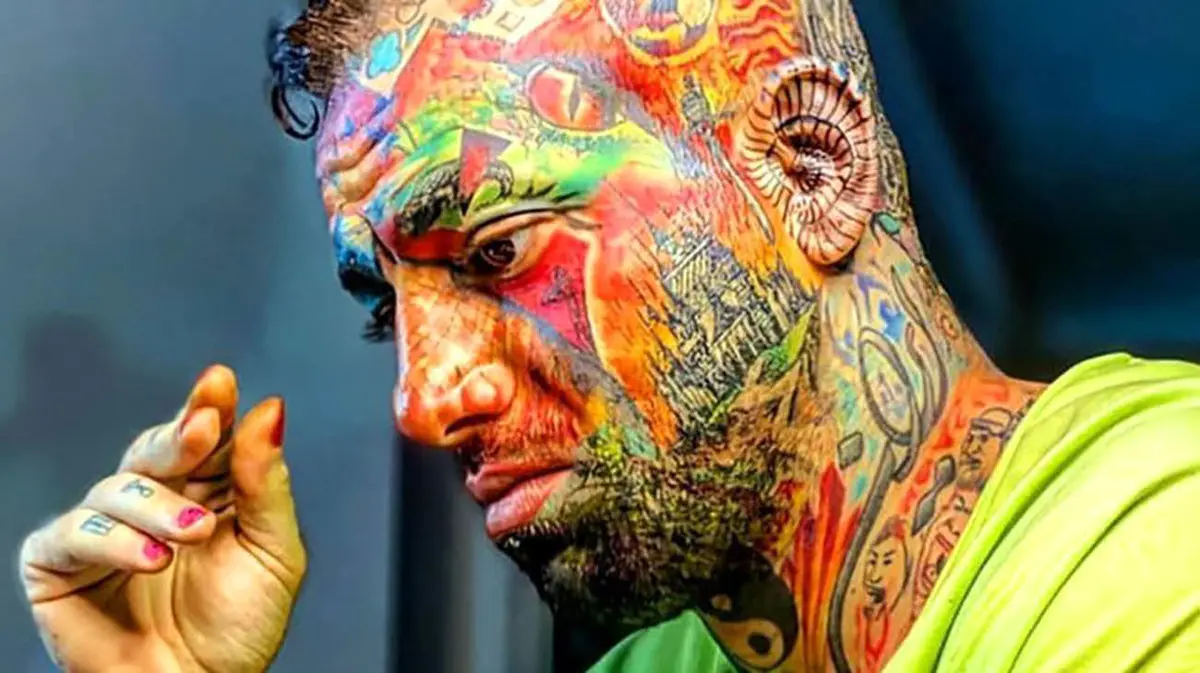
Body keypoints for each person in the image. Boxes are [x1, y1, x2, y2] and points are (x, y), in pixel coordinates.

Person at [17, 0, 1200, 670]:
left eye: (498, 253)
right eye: (388, 308)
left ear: (809, 169)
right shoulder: (659, 660)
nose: (423, 401)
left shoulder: (1157, 555)